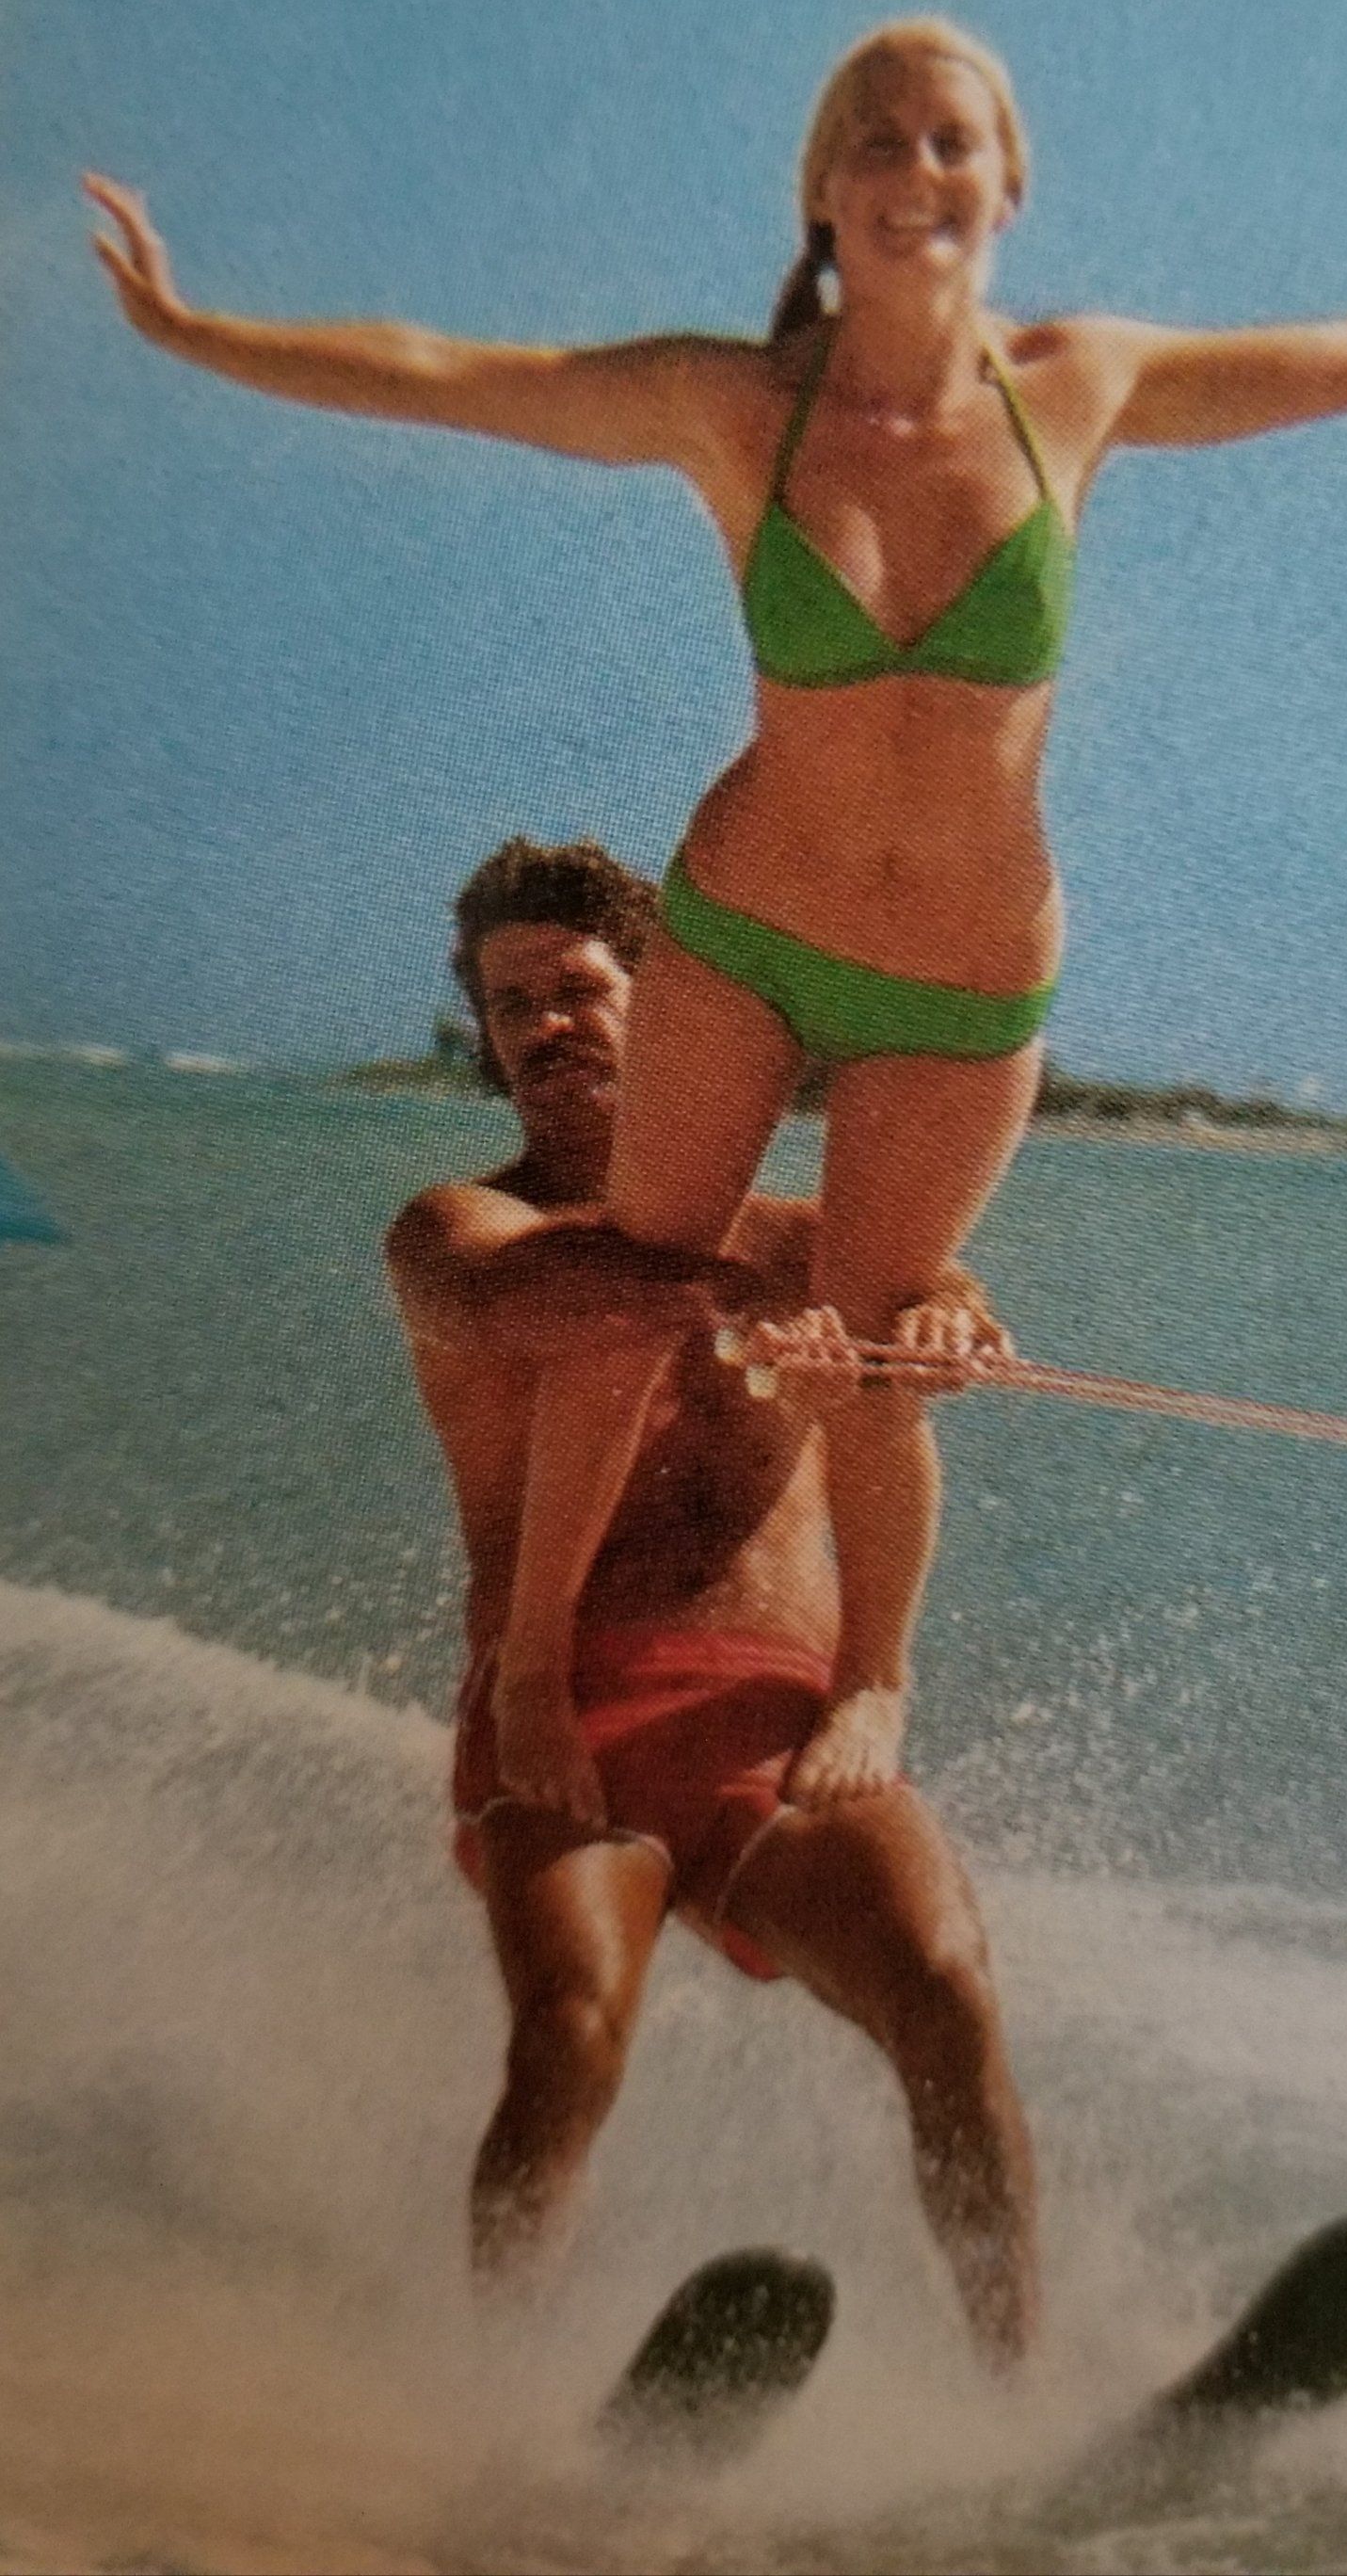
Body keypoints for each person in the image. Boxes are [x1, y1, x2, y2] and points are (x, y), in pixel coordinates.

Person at [87, 14, 1347, 1827]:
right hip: (744, 928)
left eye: (952, 140)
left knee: (875, 1355)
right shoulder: (737, 406)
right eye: (877, 137)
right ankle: (533, 1663)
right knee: (627, 1295)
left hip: (965, 985)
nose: (916, 169)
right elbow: (457, 372)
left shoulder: (1080, 386)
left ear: (1010, 184)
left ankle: (874, 1671)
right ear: (820, 192)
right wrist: (193, 330)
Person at [382, 836, 1037, 2370]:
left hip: (777, 1725)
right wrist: (736, 1291)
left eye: (577, 989)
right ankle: (494, 2400)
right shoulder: (460, 1230)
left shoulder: (810, 1242)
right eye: (510, 1003)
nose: (544, 1025)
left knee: (946, 1990)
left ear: (666, 1005)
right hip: (563, 1715)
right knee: (571, 2031)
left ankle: (1023, 2392)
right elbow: (526, 1306)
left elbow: (938, 1290)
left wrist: (943, 1318)